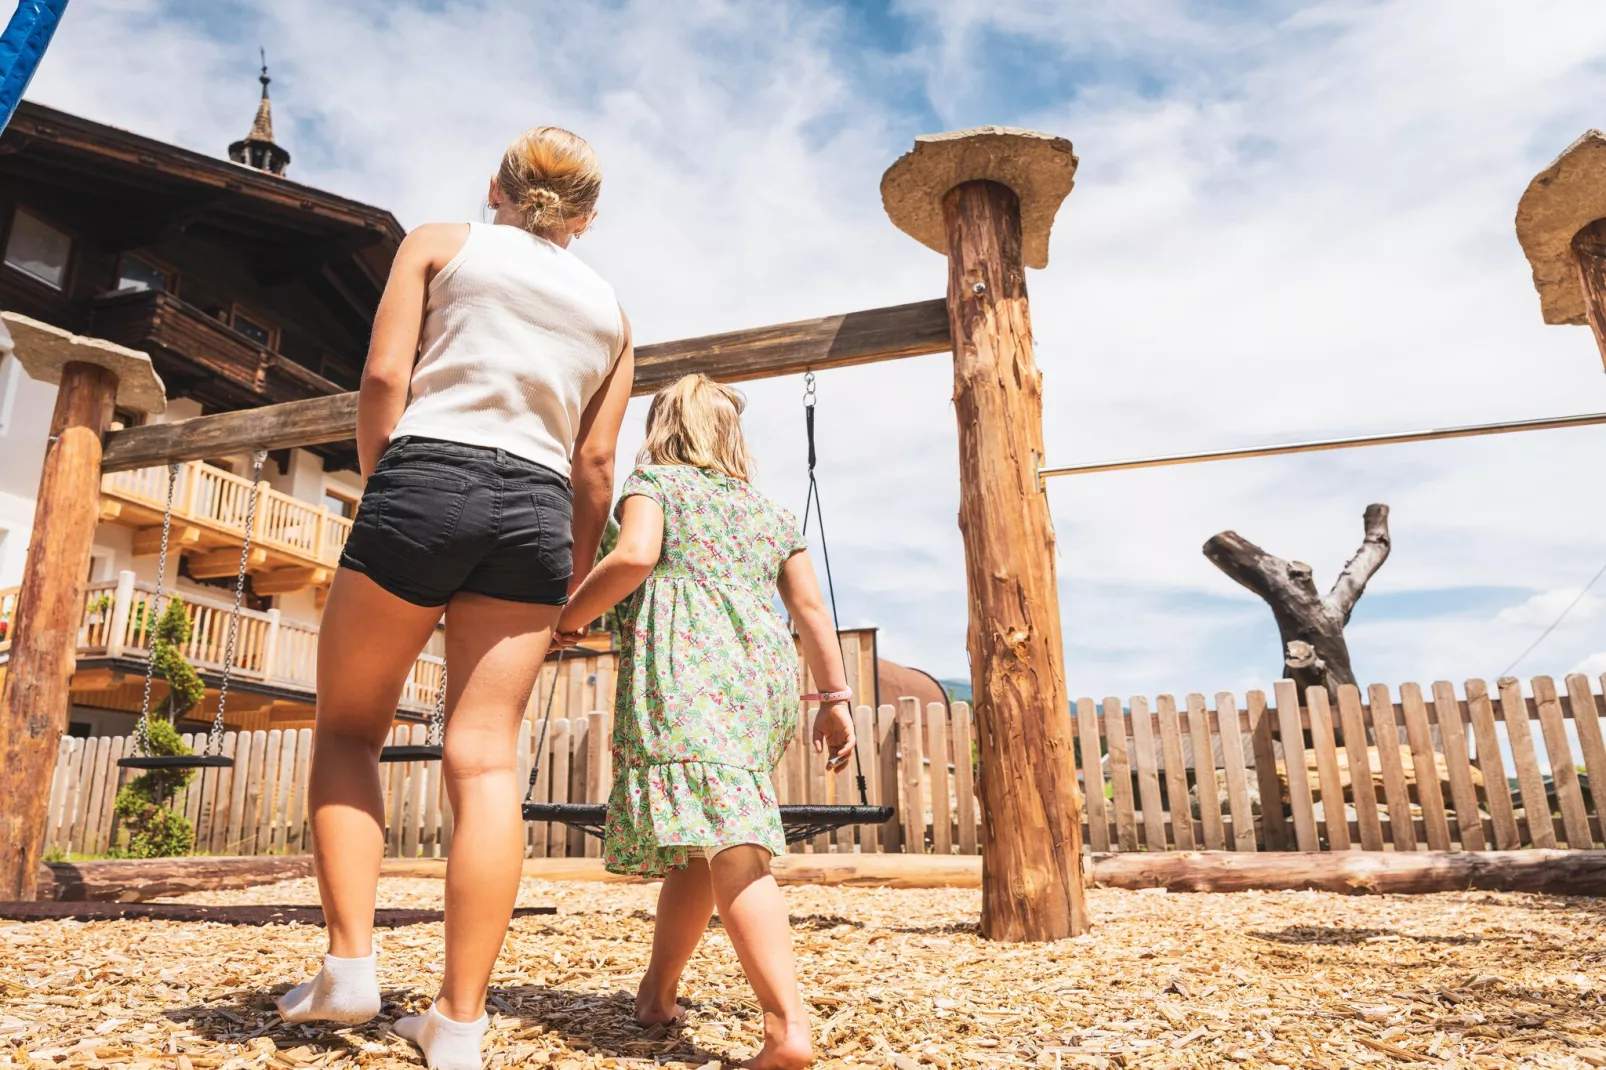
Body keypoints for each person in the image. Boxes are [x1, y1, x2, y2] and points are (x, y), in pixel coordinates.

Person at [275, 126, 634, 1070]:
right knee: (483, 764)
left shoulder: (438, 240)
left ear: (497, 189)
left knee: (351, 729)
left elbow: (385, 377)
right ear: (586, 220)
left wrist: (387, 489)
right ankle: (458, 1023)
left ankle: (350, 969)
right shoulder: (613, 313)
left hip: (424, 475)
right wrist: (567, 580)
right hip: (539, 511)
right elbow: (596, 463)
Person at [555, 374, 855, 1070]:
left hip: (691, 667)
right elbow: (810, 612)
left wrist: (569, 617)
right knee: (705, 837)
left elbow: (634, 557)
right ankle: (656, 996)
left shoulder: (652, 484)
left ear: (663, 428)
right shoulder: (767, 512)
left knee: (732, 842)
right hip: (758, 671)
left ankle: (787, 1030)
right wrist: (834, 697)